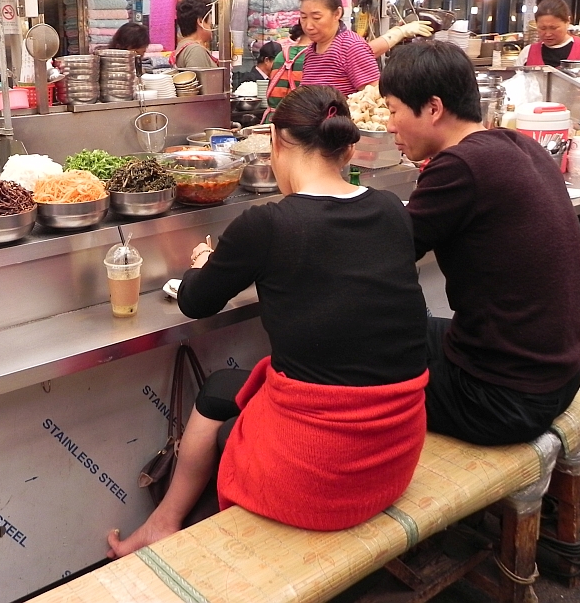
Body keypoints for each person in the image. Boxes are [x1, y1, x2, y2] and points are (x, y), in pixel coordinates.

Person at [107, 85, 429, 558]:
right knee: (236, 383)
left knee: (218, 389)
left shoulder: (267, 225)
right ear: (347, 149)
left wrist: (201, 264)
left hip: (315, 479)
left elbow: (195, 302)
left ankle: (165, 522)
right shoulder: (391, 209)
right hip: (393, 460)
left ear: (275, 142)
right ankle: (165, 524)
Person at [380, 42, 580, 446]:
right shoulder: (519, 145)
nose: (389, 126)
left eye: (392, 111)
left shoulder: (458, 167)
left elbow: (385, 254)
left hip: (501, 399)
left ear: (433, 108)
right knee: (404, 330)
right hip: (559, 374)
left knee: (351, 361)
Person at [297, 0, 381, 96]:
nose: (308, 26)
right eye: (303, 17)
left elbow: (374, 97)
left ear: (337, 13)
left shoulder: (351, 47)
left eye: (316, 18)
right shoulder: (311, 51)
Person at [516, 0, 580, 68]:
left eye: (553, 28)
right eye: (542, 28)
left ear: (567, 21)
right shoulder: (528, 52)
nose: (548, 34)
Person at [172, 0, 217, 70]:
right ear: (200, 21)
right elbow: (201, 78)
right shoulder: (195, 50)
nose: (212, 25)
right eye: (210, 21)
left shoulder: (185, 46)